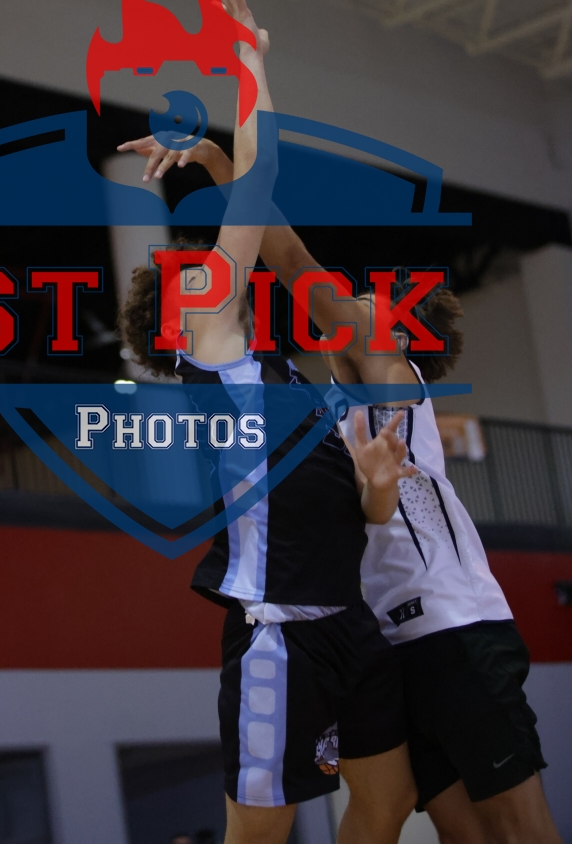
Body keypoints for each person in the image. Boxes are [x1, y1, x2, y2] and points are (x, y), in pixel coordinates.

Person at [120, 112, 561, 844]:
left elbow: (292, 261)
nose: (349, 304)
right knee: (456, 827)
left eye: (368, 303)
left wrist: (224, 162)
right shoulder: (317, 408)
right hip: (379, 631)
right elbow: (286, 261)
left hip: (451, 623)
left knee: (517, 825)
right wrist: (222, 167)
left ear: (399, 334)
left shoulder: (390, 375)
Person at [119, 0, 419, 844]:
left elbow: (358, 512)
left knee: (390, 800)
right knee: (262, 832)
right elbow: (259, 188)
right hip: (277, 632)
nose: (209, 264)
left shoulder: (284, 375)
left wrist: (375, 486)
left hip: (347, 615)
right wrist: (248, 57)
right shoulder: (209, 353)